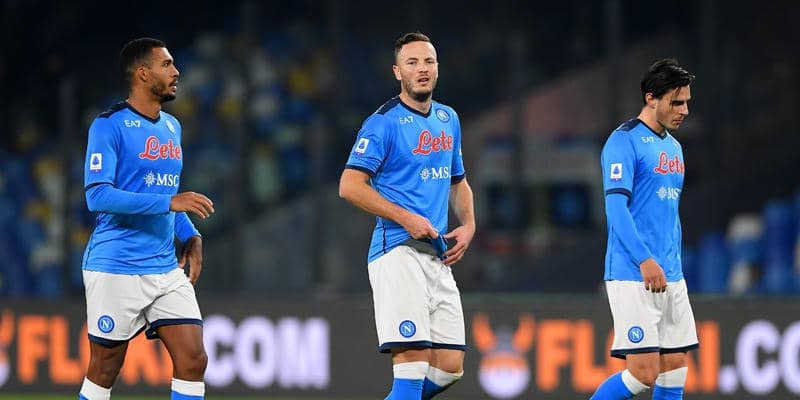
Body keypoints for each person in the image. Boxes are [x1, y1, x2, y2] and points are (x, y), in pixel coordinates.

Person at [338, 32, 475, 400]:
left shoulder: (448, 118)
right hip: (397, 252)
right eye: (412, 63)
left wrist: (469, 225)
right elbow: (349, 185)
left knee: (449, 367)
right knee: (413, 364)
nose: (422, 69)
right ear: (397, 72)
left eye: (428, 61)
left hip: (436, 256)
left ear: (437, 68)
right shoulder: (382, 123)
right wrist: (405, 218)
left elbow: (458, 182)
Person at [78, 37, 215, 400]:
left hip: (164, 268)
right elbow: (97, 195)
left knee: (194, 359)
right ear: (142, 73)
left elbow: (168, 193)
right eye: (166, 65)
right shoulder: (108, 125)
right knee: (105, 367)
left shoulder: (172, 127)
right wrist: (170, 203)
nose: (176, 72)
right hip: (117, 265)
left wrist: (190, 234)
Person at [591, 58, 699, 400]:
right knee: (643, 374)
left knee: (675, 368)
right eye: (676, 102)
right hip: (633, 273)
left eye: (686, 102)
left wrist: (670, 265)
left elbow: (666, 214)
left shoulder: (674, 147)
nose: (684, 111)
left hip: (670, 274)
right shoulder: (624, 142)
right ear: (651, 98)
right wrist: (644, 259)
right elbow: (616, 209)